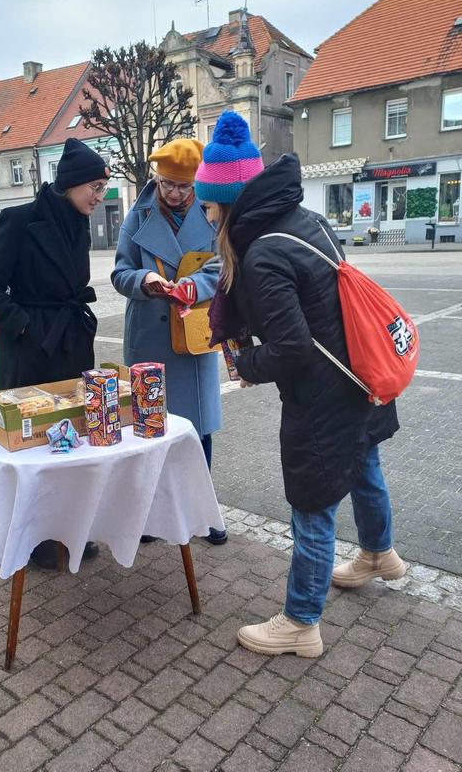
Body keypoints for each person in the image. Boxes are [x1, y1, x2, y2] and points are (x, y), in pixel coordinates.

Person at [195, 111, 404, 658]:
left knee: (312, 504)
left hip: (322, 396)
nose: (205, 213)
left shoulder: (262, 253)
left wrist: (246, 366)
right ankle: (380, 554)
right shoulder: (303, 217)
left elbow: (289, 349)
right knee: (364, 463)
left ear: (231, 199)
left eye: (208, 203)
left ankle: (300, 622)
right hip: (360, 370)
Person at [0, 137, 110, 568]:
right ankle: (33, 541)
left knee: (71, 441)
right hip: (31, 352)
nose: (99, 195)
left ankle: (69, 532)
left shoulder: (78, 223)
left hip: (70, 344)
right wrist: (26, 325)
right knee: (34, 449)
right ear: (70, 183)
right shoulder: (19, 220)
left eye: (104, 187)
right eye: (94, 186)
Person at [112, 137, 226, 545]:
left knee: (198, 429)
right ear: (156, 180)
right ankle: (153, 513)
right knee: (150, 426)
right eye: (167, 185)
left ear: (195, 184)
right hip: (151, 332)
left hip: (193, 329)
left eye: (183, 187)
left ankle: (204, 511)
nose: (175, 194)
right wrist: (145, 280)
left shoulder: (211, 214)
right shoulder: (137, 216)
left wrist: (193, 286)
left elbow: (224, 263)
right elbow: (120, 272)